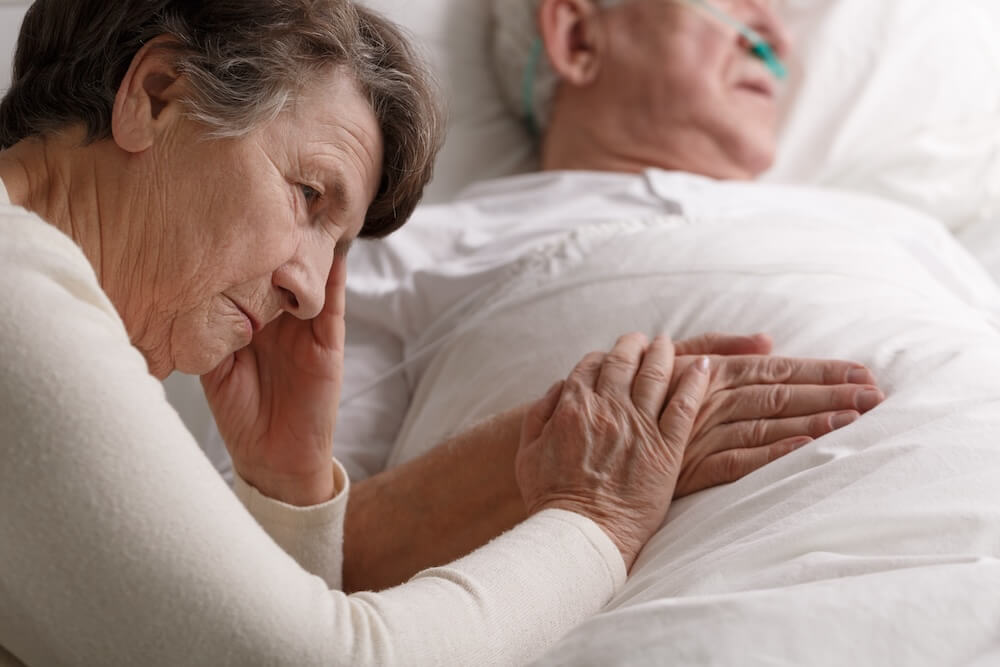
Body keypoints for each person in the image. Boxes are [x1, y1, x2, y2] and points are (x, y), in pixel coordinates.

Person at [0, 1, 881, 666]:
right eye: (310, 196)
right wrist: (596, 518)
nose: (310, 293)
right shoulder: (18, 285)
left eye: (336, 246)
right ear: (154, 95)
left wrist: (290, 484)